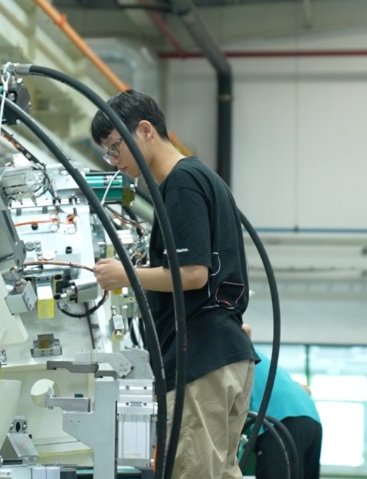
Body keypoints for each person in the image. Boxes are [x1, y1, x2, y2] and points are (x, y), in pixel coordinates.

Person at [90, 90, 257, 479]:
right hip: (223, 355)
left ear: (145, 131)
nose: (114, 161)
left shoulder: (181, 183)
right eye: (108, 153)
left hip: (201, 359)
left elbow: (193, 273)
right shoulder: (199, 177)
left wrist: (125, 275)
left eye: (115, 147)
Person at [243, 324, 322, 479]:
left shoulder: (230, 352)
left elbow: (245, 328)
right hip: (310, 417)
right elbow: (306, 389)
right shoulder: (254, 357)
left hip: (281, 420)